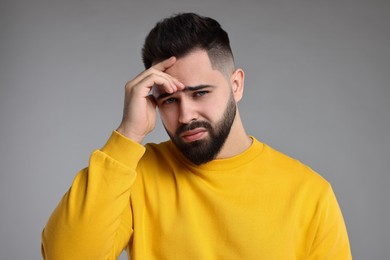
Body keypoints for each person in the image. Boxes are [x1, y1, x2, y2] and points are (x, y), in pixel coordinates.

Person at [41, 13, 352, 259]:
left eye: (200, 92)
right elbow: (65, 255)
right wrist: (128, 133)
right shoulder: (135, 174)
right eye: (169, 100)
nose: (185, 115)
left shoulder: (310, 194)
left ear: (236, 85)